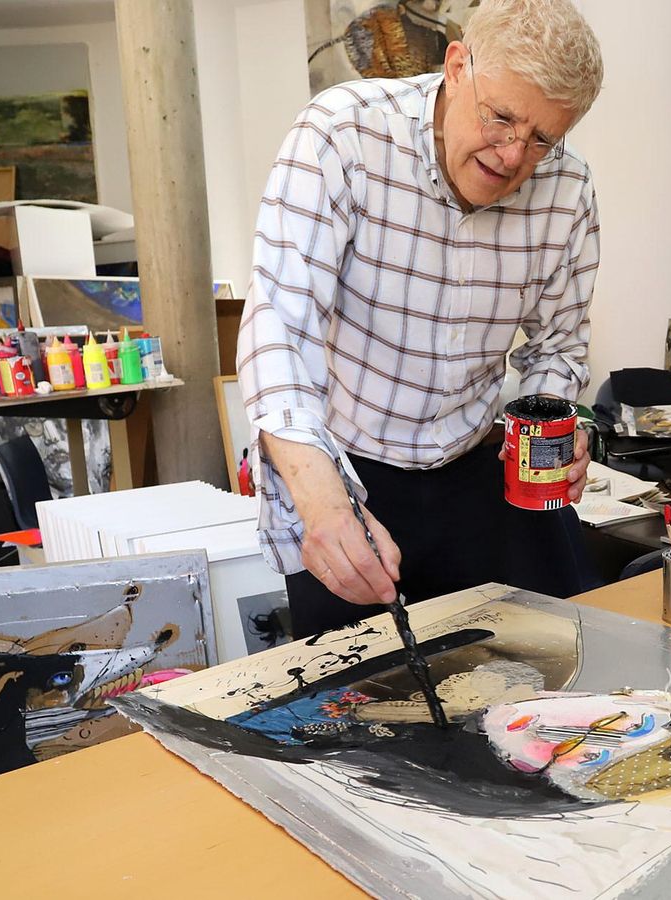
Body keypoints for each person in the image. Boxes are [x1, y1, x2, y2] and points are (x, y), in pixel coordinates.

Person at [237, 0, 605, 637]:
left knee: (513, 699)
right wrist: (321, 504)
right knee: (353, 711)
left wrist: (553, 429)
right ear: (457, 65)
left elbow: (558, 348)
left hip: (475, 478)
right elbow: (278, 328)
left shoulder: (568, 191)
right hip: (347, 475)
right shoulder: (342, 135)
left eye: (543, 137)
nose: (515, 155)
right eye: (502, 117)